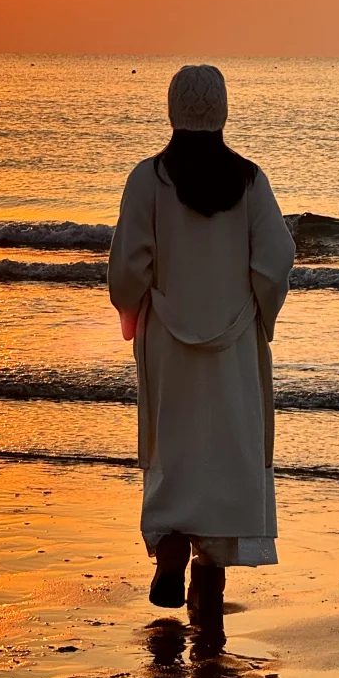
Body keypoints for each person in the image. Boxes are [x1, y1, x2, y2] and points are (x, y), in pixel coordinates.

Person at [108, 64, 295, 624]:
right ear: (222, 112)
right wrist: (260, 311)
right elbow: (277, 258)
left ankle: (170, 548)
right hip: (235, 340)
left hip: (166, 336)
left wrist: (132, 309)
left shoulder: (149, 179)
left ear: (173, 111)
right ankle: (208, 578)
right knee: (227, 446)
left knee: (175, 441)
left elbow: (127, 266)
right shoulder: (248, 181)